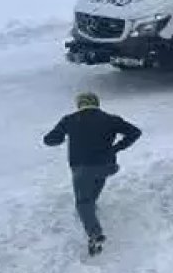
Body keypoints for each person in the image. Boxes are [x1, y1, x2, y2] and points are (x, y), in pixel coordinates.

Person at [43, 92, 142, 256]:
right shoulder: (111, 119)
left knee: (83, 202)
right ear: (97, 103)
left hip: (83, 168)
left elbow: (49, 140)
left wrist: (62, 138)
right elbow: (135, 132)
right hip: (106, 166)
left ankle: (94, 234)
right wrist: (116, 148)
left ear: (79, 104)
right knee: (93, 189)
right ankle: (91, 212)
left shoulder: (70, 120)